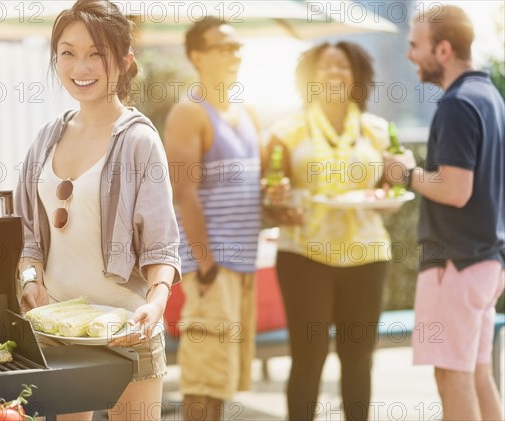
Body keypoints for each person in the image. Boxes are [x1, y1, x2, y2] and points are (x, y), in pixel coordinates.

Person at [14, 1, 181, 420]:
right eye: (68, 52)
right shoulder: (46, 138)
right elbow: (29, 237)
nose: (80, 66)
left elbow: (162, 246)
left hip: (127, 330)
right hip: (58, 329)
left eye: (96, 53)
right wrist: (30, 279)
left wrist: (157, 303)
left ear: (124, 62)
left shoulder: (140, 140)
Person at [384, 5, 505, 420]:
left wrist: (404, 173)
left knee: (452, 376)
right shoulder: (490, 96)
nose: (409, 55)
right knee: (476, 373)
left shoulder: (456, 104)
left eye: (415, 45)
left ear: (444, 50)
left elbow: (455, 189)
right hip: (485, 261)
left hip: (454, 262)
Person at [267, 42, 393, 420]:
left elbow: (391, 189)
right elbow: (269, 191)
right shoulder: (286, 131)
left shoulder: (378, 131)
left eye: (343, 66)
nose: (334, 73)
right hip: (304, 255)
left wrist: (390, 190)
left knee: (358, 360)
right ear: (310, 77)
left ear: (357, 77)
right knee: (308, 359)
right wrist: (275, 201)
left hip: (366, 255)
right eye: (325, 66)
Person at [164, 17, 262, 421]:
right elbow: (183, 192)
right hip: (213, 266)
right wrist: (205, 263)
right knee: (202, 381)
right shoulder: (189, 112)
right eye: (223, 47)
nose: (234, 53)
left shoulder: (246, 111)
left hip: (241, 266)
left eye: (237, 46)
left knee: (222, 380)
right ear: (197, 56)